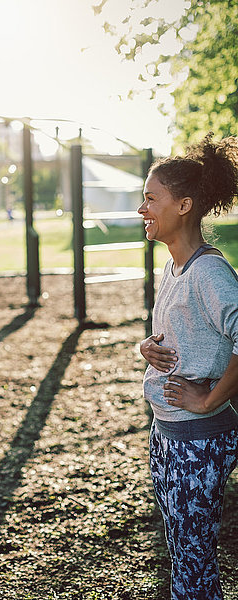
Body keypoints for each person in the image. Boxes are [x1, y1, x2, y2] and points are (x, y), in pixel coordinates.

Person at [138, 133, 238, 600]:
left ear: (183, 205)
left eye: (150, 198)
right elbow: (189, 335)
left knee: (194, 566)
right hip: (169, 434)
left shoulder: (209, 273)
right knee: (184, 558)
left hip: (199, 440)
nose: (143, 209)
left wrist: (209, 397)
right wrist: (150, 348)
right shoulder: (174, 268)